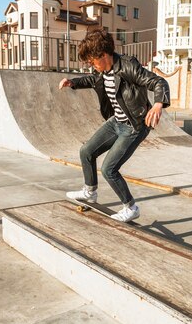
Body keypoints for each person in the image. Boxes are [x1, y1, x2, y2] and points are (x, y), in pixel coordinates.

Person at [58, 29, 170, 223]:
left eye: (93, 60)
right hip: (116, 122)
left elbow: (157, 81)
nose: (92, 65)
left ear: (103, 55)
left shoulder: (128, 67)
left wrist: (159, 104)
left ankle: (131, 207)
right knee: (86, 151)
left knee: (109, 169)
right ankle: (89, 192)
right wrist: (72, 83)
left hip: (134, 125)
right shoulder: (102, 71)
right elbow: (92, 80)